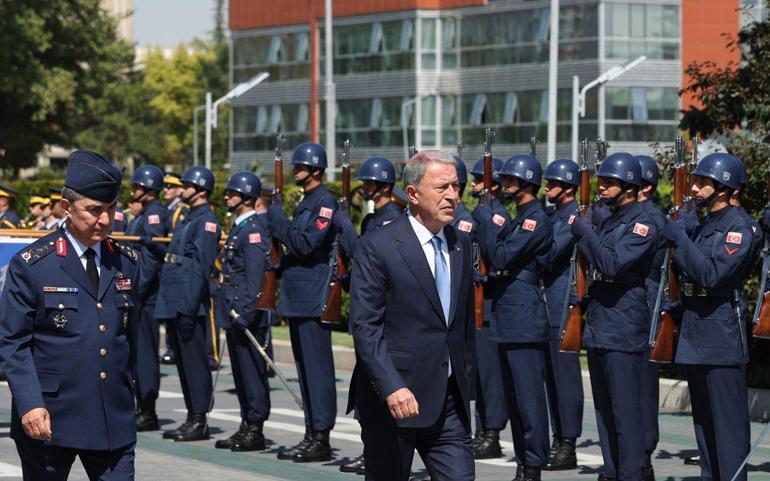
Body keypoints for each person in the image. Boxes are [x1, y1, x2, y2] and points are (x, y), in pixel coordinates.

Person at [0, 150, 138, 480]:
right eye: (93, 210)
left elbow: (131, 336)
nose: (104, 220)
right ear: (66, 206)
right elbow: (13, 342)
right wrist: (30, 403)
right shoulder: (33, 265)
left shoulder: (127, 261)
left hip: (111, 419)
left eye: (111, 209)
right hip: (50, 417)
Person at [349, 149, 475, 481]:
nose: (453, 195)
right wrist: (391, 387)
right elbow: (365, 327)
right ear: (413, 194)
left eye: (456, 186)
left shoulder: (461, 244)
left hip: (448, 402)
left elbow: (461, 326)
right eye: (442, 187)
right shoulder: (378, 246)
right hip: (394, 399)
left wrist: (468, 383)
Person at [661, 153, 752, 481]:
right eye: (696, 180)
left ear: (726, 188)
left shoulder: (739, 228)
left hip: (721, 336)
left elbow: (711, 275)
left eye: (703, 182)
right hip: (696, 329)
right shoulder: (704, 224)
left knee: (728, 432)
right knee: (705, 429)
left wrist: (682, 239)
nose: (695, 188)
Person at [570, 152, 658, 481]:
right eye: (602, 181)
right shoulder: (609, 220)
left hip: (624, 327)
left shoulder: (643, 224)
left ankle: (630, 474)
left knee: (626, 414)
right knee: (605, 413)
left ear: (629, 186)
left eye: (609, 182)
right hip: (600, 324)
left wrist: (586, 233)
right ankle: (611, 471)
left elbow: (611, 264)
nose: (602, 187)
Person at [473, 153, 554, 481]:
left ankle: (532, 464)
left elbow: (502, 256)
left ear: (527, 183)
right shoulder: (519, 218)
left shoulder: (535, 221)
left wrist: (486, 220)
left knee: (528, 398)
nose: (503, 183)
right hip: (508, 315)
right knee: (514, 398)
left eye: (509, 179)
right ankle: (523, 462)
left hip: (524, 317)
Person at [266, 141, 339, 462]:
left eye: (300, 166)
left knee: (317, 370)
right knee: (305, 370)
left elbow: (306, 244)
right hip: (298, 296)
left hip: (313, 298)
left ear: (315, 170)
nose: (295, 171)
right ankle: (311, 432)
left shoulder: (325, 203)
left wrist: (278, 220)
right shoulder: (307, 201)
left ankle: (321, 436)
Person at [338, 155, 402, 476]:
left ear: (384, 186)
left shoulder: (393, 220)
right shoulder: (373, 220)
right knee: (366, 395)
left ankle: (380, 456)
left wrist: (344, 228)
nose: (364, 187)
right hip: (368, 314)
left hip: (384, 322)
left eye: (369, 183)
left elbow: (365, 254)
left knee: (378, 391)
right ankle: (370, 452)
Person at [155, 166, 221, 442]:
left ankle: (199, 419)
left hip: (188, 302)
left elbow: (201, 268)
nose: (183, 189)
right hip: (175, 297)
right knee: (183, 363)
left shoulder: (207, 221)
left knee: (194, 364)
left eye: (188, 185)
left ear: (201, 190)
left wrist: (189, 307)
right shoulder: (188, 217)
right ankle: (191, 416)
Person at [213, 171, 273, 452]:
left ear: (247, 197)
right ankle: (245, 423)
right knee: (240, 372)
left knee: (251, 372)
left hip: (244, 312)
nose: (227, 196)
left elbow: (255, 276)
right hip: (233, 309)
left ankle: (255, 427)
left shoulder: (253, 229)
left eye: (232, 193)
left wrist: (245, 312)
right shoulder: (240, 226)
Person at [465, 155, 509, 460]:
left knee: (490, 375)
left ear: (493, 185)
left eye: (479, 179)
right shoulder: (477, 213)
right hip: (474, 301)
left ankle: (491, 432)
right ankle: (481, 430)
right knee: (479, 375)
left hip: (489, 304)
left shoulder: (497, 216)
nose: (474, 183)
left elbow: (497, 256)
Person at [541, 158, 584, 472]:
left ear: (568, 187)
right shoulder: (553, 215)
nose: (547, 187)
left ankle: (567, 442)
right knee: (551, 379)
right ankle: (558, 439)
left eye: (553, 183)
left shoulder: (574, 217)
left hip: (562, 306)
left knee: (564, 378)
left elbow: (550, 252)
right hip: (547, 305)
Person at [125, 165, 168, 432]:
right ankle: (141, 405)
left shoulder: (153, 215)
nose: (133, 191)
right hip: (138, 293)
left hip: (145, 295)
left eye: (137, 186)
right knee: (135, 353)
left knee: (145, 355)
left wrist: (136, 290)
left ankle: (148, 409)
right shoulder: (145, 213)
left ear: (148, 189)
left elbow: (151, 259)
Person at [632, 154, 667, 481]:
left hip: (646, 305)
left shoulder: (651, 218)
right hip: (630, 307)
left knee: (643, 385)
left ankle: (643, 455)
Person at [158, 171, 189, 366]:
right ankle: (171, 348)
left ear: (180, 189)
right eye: (165, 186)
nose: (166, 189)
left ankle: (174, 349)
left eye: (171, 186)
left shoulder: (181, 210)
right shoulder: (169, 209)